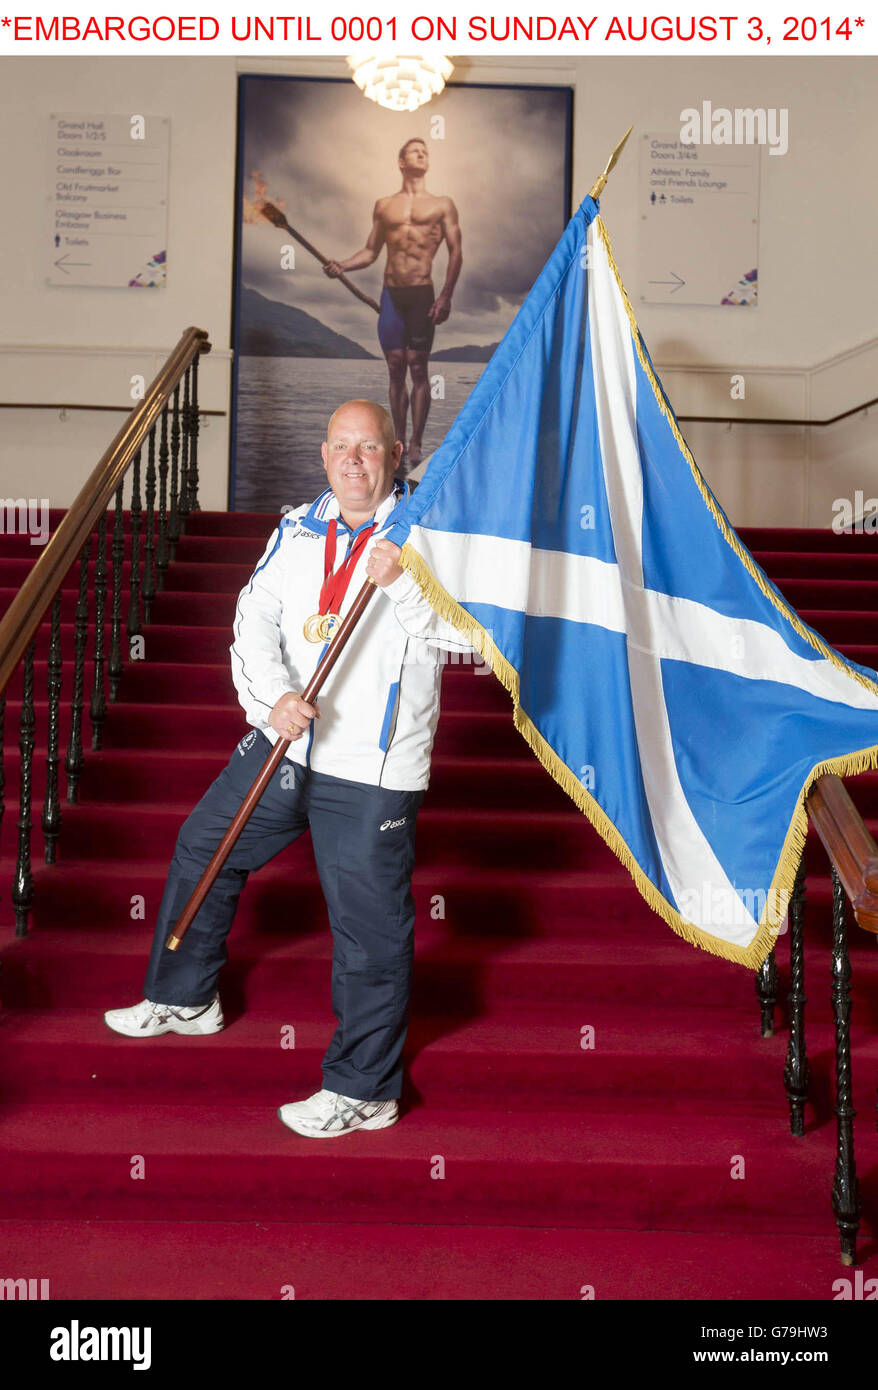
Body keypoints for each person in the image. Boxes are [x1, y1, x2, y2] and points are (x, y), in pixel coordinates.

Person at [104, 399, 473, 1138]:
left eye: (369, 449)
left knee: (367, 932)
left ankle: (365, 1089)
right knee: (205, 846)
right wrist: (272, 698)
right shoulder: (297, 528)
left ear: (394, 454)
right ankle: (186, 997)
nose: (354, 461)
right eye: (342, 447)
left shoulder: (430, 538)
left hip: (372, 768)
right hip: (289, 742)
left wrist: (401, 581)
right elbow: (255, 615)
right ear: (324, 453)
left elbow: (465, 636)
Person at [323, 138, 462, 472]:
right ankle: (398, 438)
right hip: (391, 295)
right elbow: (371, 252)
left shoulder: (442, 204)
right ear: (401, 161)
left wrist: (446, 296)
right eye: (415, 151)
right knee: (396, 367)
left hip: (422, 294)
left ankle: (415, 442)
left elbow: (456, 252)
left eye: (426, 152)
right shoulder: (384, 205)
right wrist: (342, 265)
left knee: (418, 367)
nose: (422, 155)